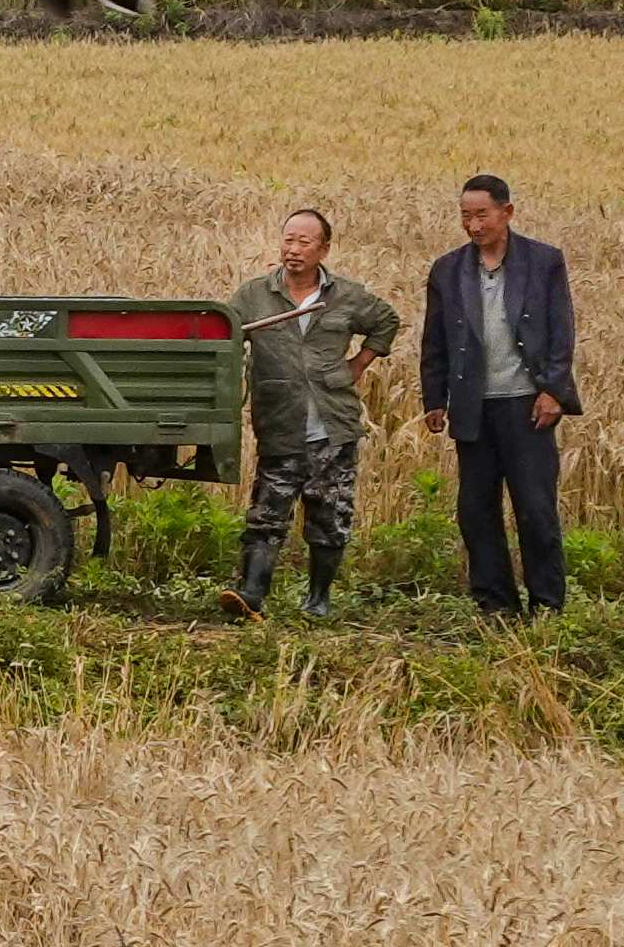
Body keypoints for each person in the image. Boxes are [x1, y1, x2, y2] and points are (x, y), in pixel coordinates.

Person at [416, 174, 582, 617]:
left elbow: (561, 331)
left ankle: (547, 604)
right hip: (474, 407)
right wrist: (434, 397)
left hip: (527, 404)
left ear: (506, 212)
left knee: (535, 509)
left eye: (481, 215)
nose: (473, 225)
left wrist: (553, 391)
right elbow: (433, 339)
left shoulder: (543, 261)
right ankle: (496, 605)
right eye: (465, 216)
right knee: (475, 510)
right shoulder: (448, 270)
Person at [220, 207, 395, 619]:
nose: (293, 250)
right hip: (280, 421)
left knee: (330, 515)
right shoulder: (254, 295)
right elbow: (223, 339)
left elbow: (385, 320)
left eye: (304, 242)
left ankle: (318, 600)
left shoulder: (345, 296)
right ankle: (252, 593)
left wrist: (359, 364)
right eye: (288, 240)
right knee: (266, 513)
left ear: (324, 249)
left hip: (333, 425)